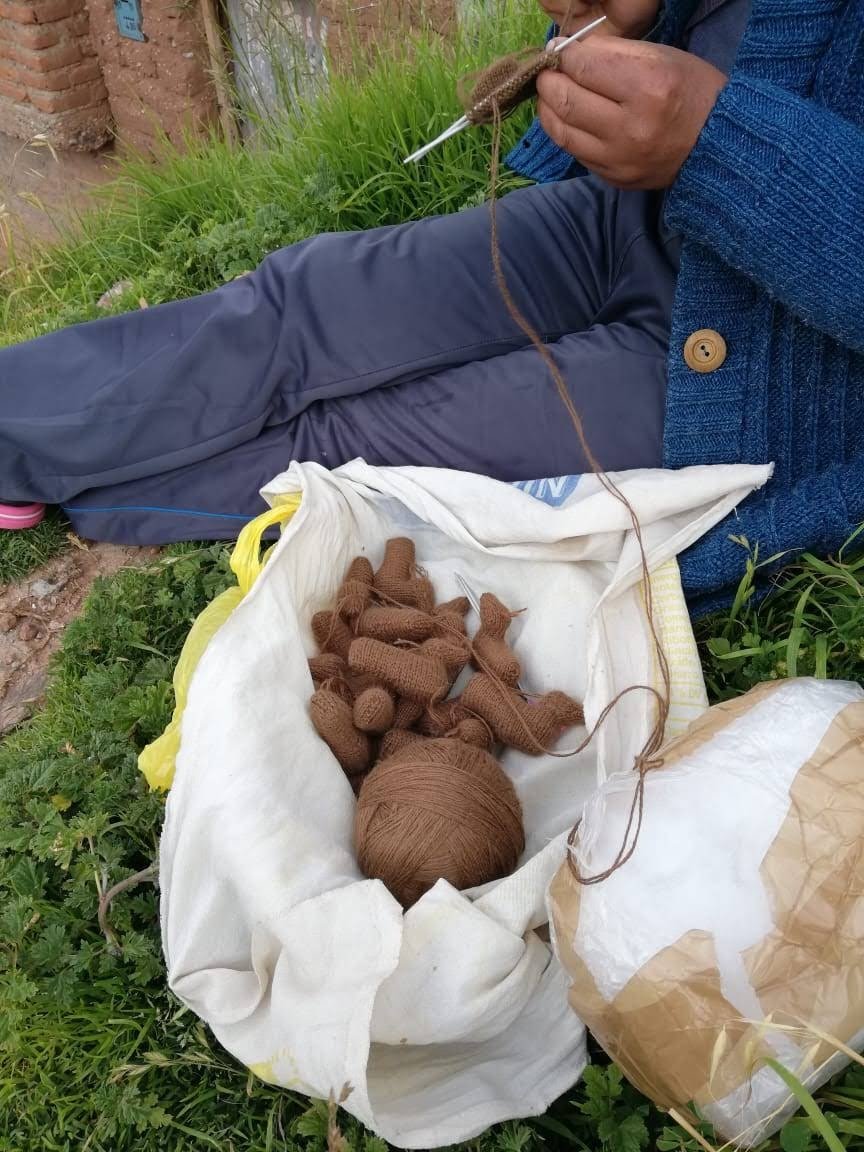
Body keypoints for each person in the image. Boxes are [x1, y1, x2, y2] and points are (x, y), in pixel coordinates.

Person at [1, 0, 862, 616]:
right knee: (302, 301)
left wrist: (716, 140)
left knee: (363, 450)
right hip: (635, 217)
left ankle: (93, 496)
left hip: (776, 366)